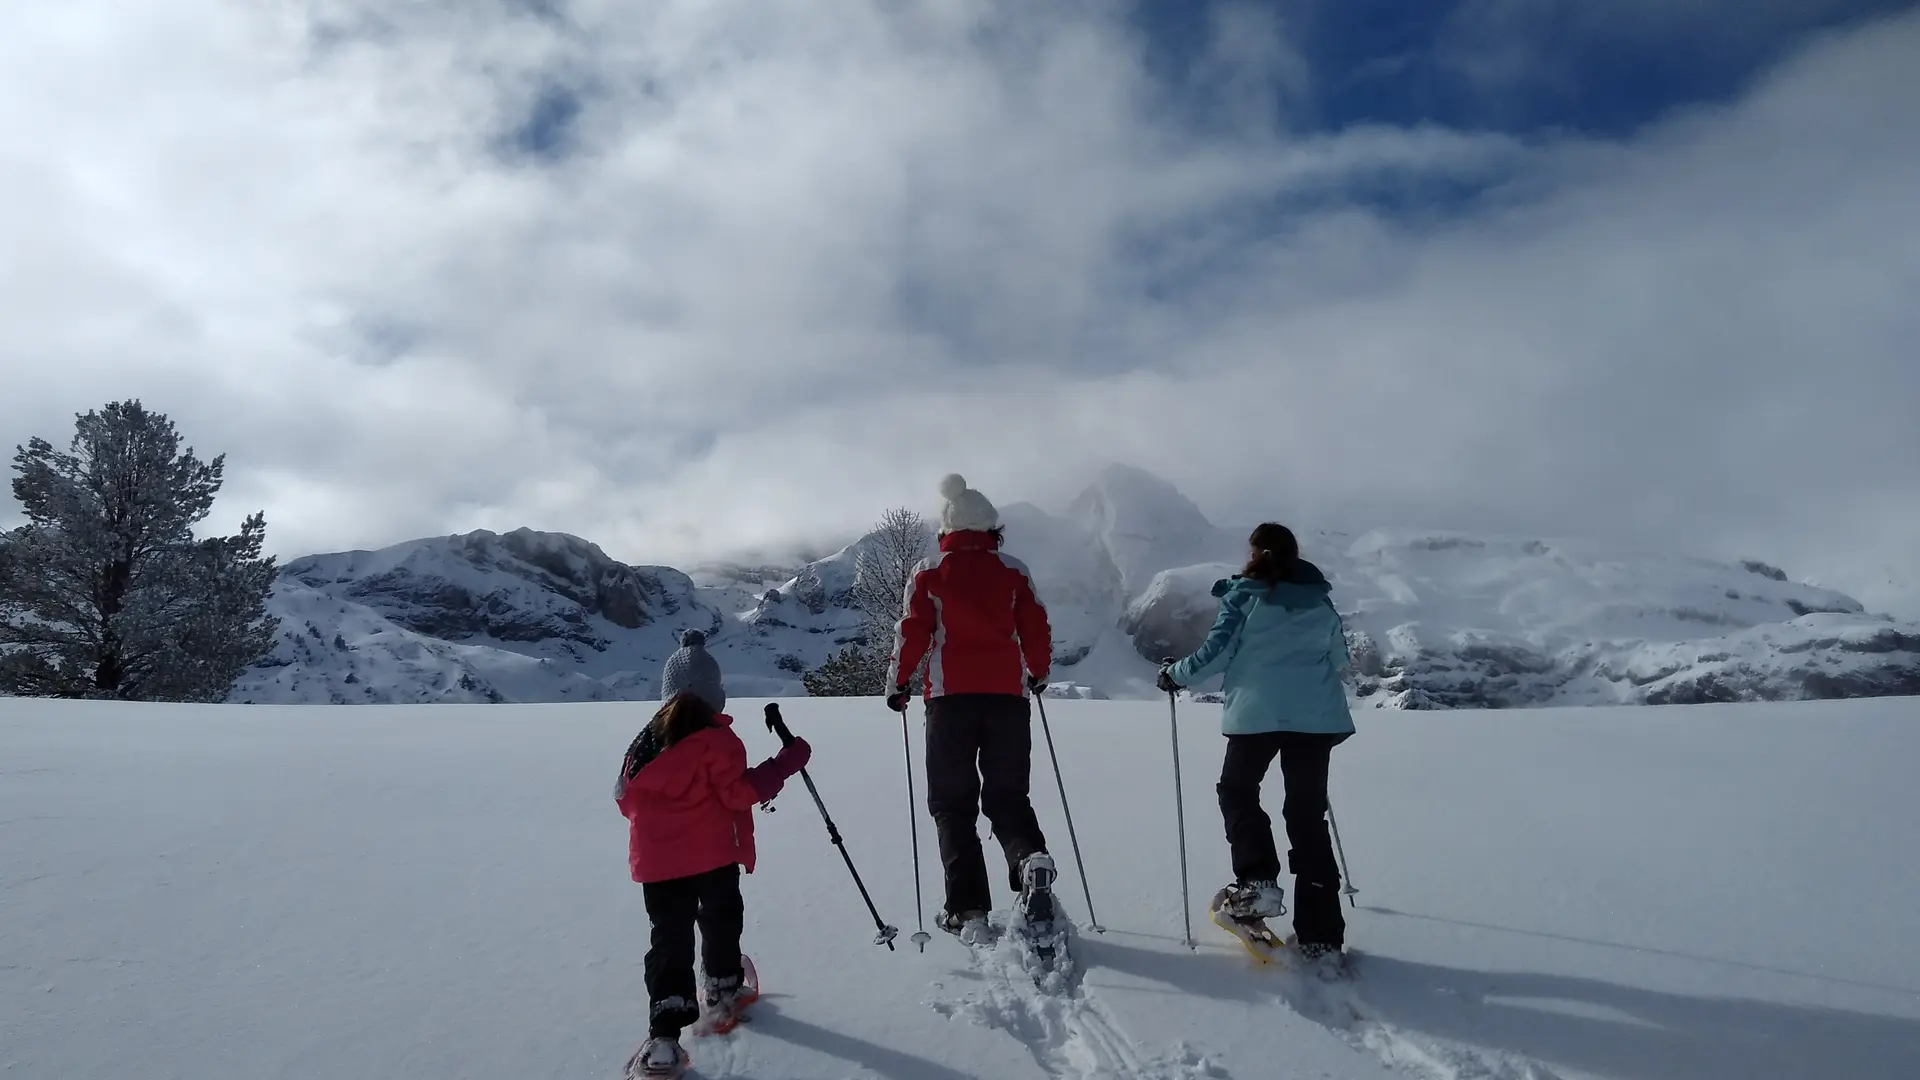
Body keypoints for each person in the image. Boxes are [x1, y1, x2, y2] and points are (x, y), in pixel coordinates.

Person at [1157, 523, 1355, 966]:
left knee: (1238, 791)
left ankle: (1258, 883)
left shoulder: (1244, 597)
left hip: (1256, 715)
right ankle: (1322, 935)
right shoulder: (1321, 601)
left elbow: (1217, 653)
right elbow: (1340, 658)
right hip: (1316, 718)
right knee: (1306, 816)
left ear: (1254, 554)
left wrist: (1174, 675)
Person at [616, 630, 811, 1077]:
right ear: (714, 695)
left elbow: (625, 799)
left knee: (669, 938)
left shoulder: (644, 744)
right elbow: (739, 794)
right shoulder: (719, 741)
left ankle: (664, 1037)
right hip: (714, 856)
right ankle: (723, 987)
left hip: (658, 864)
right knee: (720, 917)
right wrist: (785, 763)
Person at [887, 474, 1056, 941]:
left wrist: (898, 683)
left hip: (949, 701)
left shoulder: (928, 572)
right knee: (1007, 796)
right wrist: (1038, 673)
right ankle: (1029, 860)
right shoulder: (1014, 571)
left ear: (947, 530)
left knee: (952, 803)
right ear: (991, 530)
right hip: (1007, 699)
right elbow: (1036, 626)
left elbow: (913, 631)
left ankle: (968, 909)